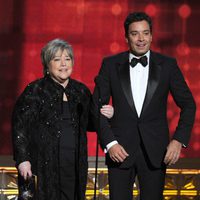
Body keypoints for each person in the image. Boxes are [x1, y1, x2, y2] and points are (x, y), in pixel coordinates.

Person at [92, 12, 196, 200]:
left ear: (151, 35)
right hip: (119, 151)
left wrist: (178, 140)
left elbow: (188, 104)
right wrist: (110, 143)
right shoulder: (110, 64)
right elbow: (96, 107)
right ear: (126, 37)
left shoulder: (168, 65)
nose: (141, 39)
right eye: (135, 34)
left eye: (145, 33)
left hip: (156, 152)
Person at [12, 38, 114, 200]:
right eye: (57, 59)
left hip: (74, 163)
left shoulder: (80, 91)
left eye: (67, 59)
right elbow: (20, 127)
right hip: (43, 163)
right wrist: (23, 159)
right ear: (47, 65)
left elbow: (91, 124)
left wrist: (107, 114)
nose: (64, 64)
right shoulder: (35, 90)